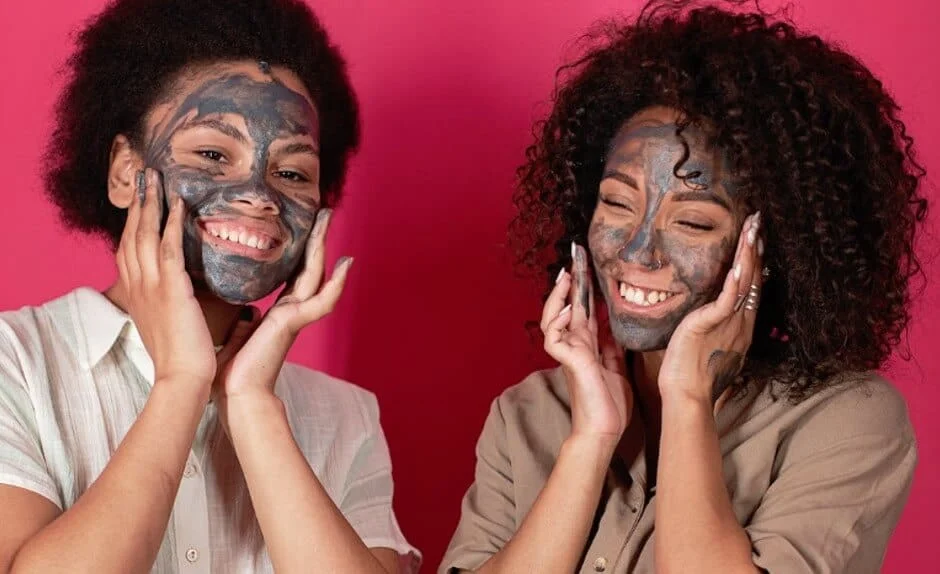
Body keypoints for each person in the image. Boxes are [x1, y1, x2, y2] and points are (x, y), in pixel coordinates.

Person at [441, 1, 926, 573]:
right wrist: (591, 440)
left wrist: (689, 401)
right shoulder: (527, 415)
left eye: (693, 221)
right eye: (617, 204)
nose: (637, 251)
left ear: (768, 249)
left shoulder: (845, 422)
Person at [0, 0, 418, 572]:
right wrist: (180, 384)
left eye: (292, 172)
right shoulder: (14, 365)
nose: (258, 194)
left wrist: (252, 404)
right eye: (213, 154)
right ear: (126, 172)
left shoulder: (345, 416)